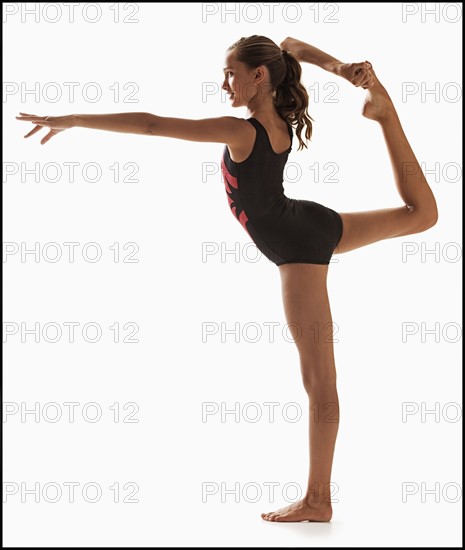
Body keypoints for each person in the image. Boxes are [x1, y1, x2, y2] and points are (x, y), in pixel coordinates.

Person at [16, 35, 438, 523]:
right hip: (305, 223)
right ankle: (384, 115)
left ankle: (318, 500)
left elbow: (153, 125)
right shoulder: (272, 113)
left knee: (319, 379)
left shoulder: (244, 132)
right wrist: (341, 68)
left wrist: (74, 119)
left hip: (298, 246)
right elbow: (290, 45)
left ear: (259, 76)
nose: (224, 84)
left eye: (231, 73)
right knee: (421, 214)